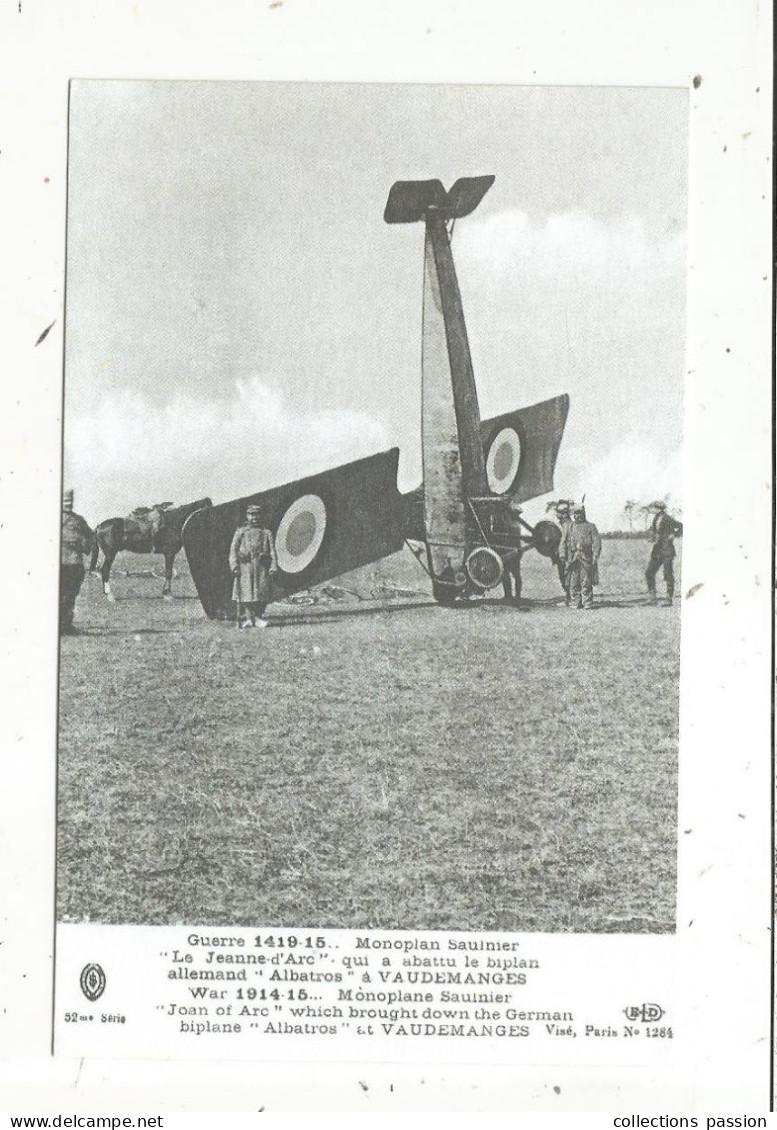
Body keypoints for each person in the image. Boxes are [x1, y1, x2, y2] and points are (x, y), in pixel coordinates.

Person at [229, 505, 278, 628]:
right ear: (247, 516)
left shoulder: (266, 533)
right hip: (245, 567)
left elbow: (272, 551)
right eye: (251, 514)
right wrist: (234, 566)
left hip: (262, 567)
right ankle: (249, 619)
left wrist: (273, 565)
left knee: (261, 593)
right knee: (246, 594)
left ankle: (258, 618)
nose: (254, 518)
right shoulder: (241, 532)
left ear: (261, 516)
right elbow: (233, 550)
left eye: (257, 514)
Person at [60, 488, 94, 635]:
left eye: (70, 501)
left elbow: (91, 536)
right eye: (65, 501)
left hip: (74, 564)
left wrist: (83, 546)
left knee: (70, 596)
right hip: (59, 564)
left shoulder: (79, 520)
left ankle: (66, 625)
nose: (68, 504)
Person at [561, 504, 602, 610]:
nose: (578, 515)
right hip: (573, 558)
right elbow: (563, 541)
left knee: (586, 581)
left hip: (586, 558)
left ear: (584, 513)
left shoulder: (591, 526)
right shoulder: (570, 526)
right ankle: (576, 602)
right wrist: (562, 554)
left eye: (580, 513)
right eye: (576, 513)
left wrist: (596, 555)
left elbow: (597, 541)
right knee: (573, 581)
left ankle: (587, 602)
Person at [645, 500, 683, 605]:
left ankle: (668, 598)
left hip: (667, 551)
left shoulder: (667, 518)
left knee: (668, 573)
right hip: (657, 551)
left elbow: (680, 526)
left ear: (658, 508)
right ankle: (652, 597)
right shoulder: (656, 518)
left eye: (652, 507)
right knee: (649, 572)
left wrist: (674, 535)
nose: (650, 509)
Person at [553, 499, 573, 604]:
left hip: (566, 556)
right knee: (565, 577)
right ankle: (569, 598)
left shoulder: (567, 525)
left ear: (564, 514)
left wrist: (562, 554)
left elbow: (565, 541)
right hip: (564, 556)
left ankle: (569, 599)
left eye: (558, 512)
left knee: (567, 577)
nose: (556, 514)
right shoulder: (565, 524)